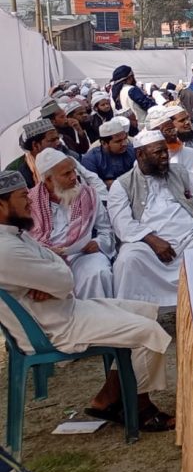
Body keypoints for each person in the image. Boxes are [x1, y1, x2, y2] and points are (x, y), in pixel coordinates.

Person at [0, 170, 175, 432]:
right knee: (148, 332)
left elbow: (58, 265)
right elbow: (65, 279)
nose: (30, 201)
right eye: (23, 196)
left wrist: (52, 274)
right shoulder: (5, 248)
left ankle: (107, 398)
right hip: (51, 326)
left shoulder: (15, 235)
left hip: (60, 309)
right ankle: (140, 408)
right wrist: (55, 274)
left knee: (145, 311)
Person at [107, 130, 193, 307]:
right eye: (157, 153)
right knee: (128, 260)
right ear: (140, 154)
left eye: (165, 151)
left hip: (191, 238)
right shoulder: (122, 185)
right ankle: (138, 313)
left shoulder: (180, 172)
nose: (164, 156)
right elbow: (122, 224)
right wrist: (152, 240)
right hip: (148, 247)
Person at [27, 149, 115, 297]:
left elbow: (106, 229)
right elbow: (24, 241)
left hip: (83, 255)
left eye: (73, 171)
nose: (74, 177)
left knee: (98, 271)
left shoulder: (89, 194)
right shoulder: (29, 202)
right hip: (45, 260)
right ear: (48, 180)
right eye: (66, 174)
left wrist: (99, 242)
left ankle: (98, 317)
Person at [6, 119, 63, 188]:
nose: (58, 143)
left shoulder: (65, 156)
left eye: (58, 139)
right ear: (35, 145)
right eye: (52, 140)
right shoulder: (18, 172)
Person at [80, 119, 136, 188]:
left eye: (125, 139)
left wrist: (110, 183)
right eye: (118, 141)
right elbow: (93, 186)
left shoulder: (132, 150)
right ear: (104, 143)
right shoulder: (90, 159)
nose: (124, 144)